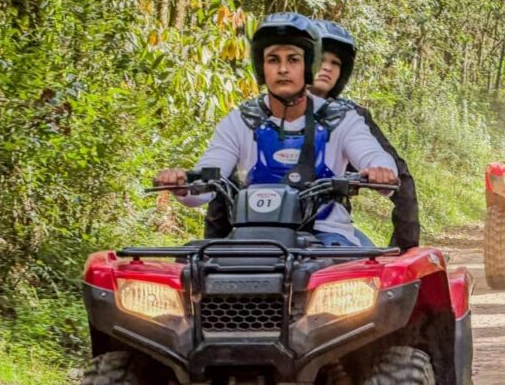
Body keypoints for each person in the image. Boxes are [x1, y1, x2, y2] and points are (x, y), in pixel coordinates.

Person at [155, 12, 398, 247]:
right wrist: (183, 184)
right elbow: (207, 179)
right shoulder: (240, 120)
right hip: (252, 239)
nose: (282, 69)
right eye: (273, 59)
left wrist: (380, 171)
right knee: (193, 267)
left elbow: (373, 155)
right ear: (261, 67)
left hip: (328, 239)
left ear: (309, 66)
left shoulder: (341, 119)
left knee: (355, 273)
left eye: (293, 59)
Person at [310, 19, 421, 250]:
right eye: (320, 59)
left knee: (376, 269)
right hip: (252, 228)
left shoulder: (349, 117)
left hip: (328, 231)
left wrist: (404, 249)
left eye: (334, 62)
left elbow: (398, 177)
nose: (327, 67)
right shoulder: (254, 115)